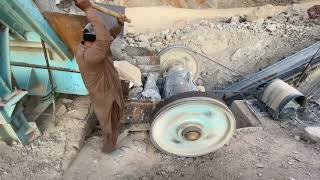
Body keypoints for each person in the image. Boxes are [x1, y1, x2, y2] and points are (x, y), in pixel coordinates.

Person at [74, 0, 126, 153]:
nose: (102, 41)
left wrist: (118, 24)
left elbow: (107, 37)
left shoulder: (92, 46)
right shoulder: (89, 56)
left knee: (115, 114)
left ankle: (113, 132)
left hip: (109, 86)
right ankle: (108, 147)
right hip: (103, 94)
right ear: (92, 40)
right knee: (107, 121)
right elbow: (104, 39)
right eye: (99, 40)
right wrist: (88, 9)